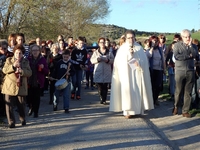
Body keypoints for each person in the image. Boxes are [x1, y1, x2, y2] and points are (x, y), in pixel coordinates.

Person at [109, 30, 154, 119]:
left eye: (132, 37)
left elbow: (144, 62)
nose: (131, 39)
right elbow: (118, 63)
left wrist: (139, 63)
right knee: (127, 92)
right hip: (126, 74)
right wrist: (130, 55)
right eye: (129, 38)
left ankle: (138, 110)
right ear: (126, 38)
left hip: (137, 74)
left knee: (137, 90)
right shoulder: (122, 49)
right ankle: (127, 111)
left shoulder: (139, 48)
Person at [2, 44, 32, 128]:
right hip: (9, 85)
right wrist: (12, 66)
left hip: (21, 86)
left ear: (22, 54)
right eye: (16, 53)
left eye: (20, 53)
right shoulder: (9, 60)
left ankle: (22, 118)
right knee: (9, 105)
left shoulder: (26, 62)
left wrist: (22, 71)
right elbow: (4, 70)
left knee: (21, 104)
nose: (18, 55)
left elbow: (30, 73)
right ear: (14, 53)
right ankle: (11, 121)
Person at [172, 29, 199, 118]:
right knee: (179, 91)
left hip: (190, 70)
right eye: (186, 37)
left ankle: (185, 110)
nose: (188, 38)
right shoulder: (177, 45)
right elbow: (177, 56)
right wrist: (188, 56)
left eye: (189, 36)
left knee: (188, 92)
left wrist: (191, 46)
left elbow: (196, 56)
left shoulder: (194, 46)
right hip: (180, 71)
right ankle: (176, 106)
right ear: (182, 37)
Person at [27, 44, 49, 118]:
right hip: (29, 81)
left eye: (36, 50)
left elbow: (47, 71)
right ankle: (31, 107)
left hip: (38, 81)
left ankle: (36, 112)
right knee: (29, 97)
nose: (35, 52)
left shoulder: (42, 59)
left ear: (39, 51)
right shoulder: (28, 59)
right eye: (33, 50)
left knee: (36, 98)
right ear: (31, 51)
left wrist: (42, 68)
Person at [91, 37, 114, 104]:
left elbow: (113, 60)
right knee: (99, 86)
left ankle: (104, 99)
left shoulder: (109, 52)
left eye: (103, 42)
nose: (102, 44)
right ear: (99, 43)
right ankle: (101, 97)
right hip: (99, 71)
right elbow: (92, 60)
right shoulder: (96, 52)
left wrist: (108, 60)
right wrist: (97, 60)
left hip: (106, 71)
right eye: (101, 42)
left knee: (105, 86)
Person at [146, 35, 166, 106]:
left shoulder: (160, 49)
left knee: (158, 86)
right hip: (151, 70)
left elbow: (163, 59)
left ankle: (155, 98)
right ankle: (152, 100)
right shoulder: (148, 50)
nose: (156, 42)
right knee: (152, 85)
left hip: (159, 69)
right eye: (154, 41)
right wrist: (152, 47)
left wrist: (164, 69)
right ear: (151, 41)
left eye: (157, 41)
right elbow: (149, 56)